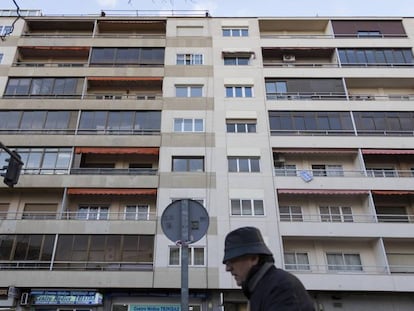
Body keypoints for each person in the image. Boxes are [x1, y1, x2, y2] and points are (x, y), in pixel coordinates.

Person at [223, 226, 315, 311]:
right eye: (227, 263)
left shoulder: (280, 287)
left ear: (254, 258)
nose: (228, 268)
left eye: (232, 260)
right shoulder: (262, 288)